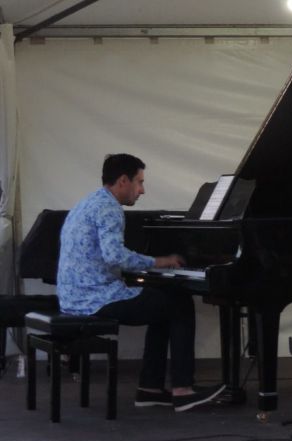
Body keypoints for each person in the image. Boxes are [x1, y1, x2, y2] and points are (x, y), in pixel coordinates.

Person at [57, 153, 225, 412]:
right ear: (123, 181)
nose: (142, 190)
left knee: (161, 304)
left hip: (74, 297)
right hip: (96, 300)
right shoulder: (110, 208)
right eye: (139, 182)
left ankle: (151, 389)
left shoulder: (89, 202)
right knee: (179, 303)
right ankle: (183, 390)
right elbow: (115, 256)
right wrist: (160, 261)